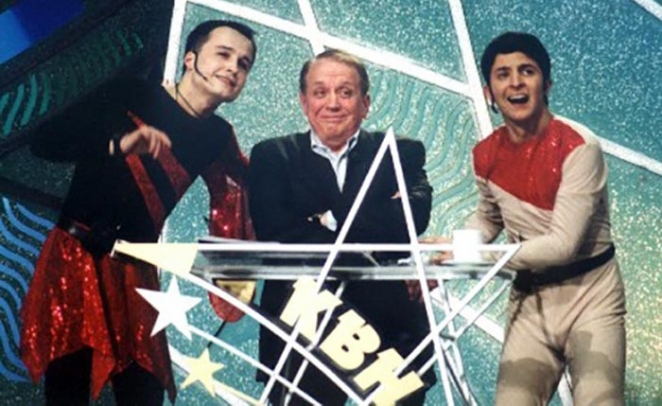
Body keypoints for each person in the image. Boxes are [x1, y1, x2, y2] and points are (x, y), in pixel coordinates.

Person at [19, 20, 257, 405]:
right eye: (224, 54)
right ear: (190, 59)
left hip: (136, 275)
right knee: (67, 389)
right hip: (76, 259)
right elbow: (45, 142)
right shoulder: (131, 93)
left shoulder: (218, 137)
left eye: (244, 64)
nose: (233, 67)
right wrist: (117, 144)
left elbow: (244, 186)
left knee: (144, 394)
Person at [248, 49, 436, 405]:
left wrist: (329, 219)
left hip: (389, 329)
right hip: (303, 328)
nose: (332, 103)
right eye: (320, 92)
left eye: (345, 92)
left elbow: (412, 218)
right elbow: (278, 234)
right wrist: (375, 226)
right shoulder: (272, 156)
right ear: (304, 102)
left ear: (365, 104)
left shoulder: (400, 152)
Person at [455, 32, 626, 405]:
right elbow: (488, 218)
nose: (515, 82)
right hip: (530, 297)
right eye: (503, 74)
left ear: (546, 84)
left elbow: (563, 245)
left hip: (591, 295)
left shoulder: (580, 146)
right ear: (489, 91)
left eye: (527, 71)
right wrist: (454, 250)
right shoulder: (485, 154)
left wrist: (473, 257)